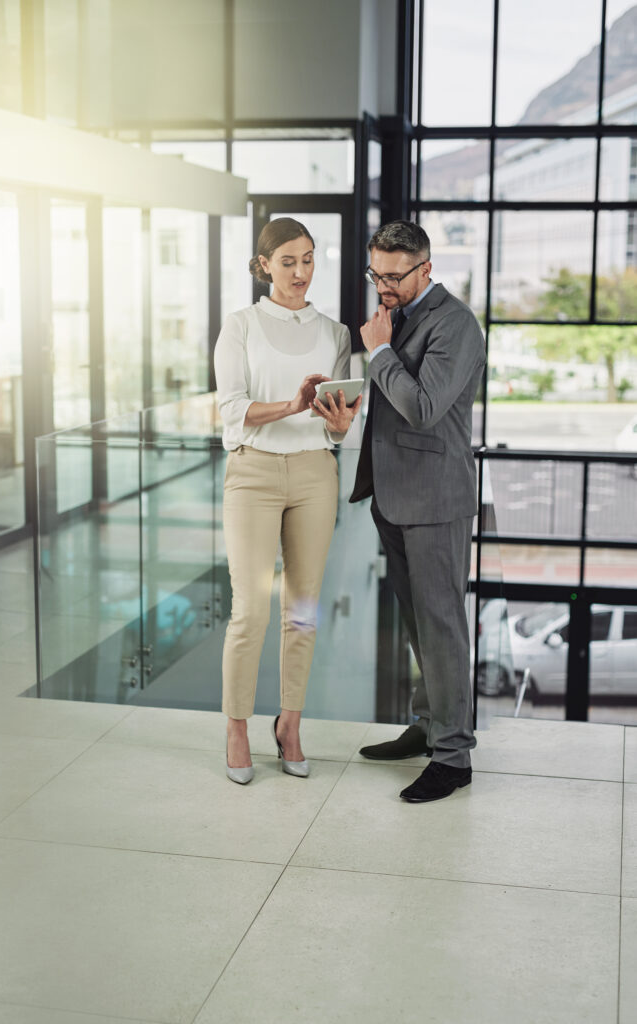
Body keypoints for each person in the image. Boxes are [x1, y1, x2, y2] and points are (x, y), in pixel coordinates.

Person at [215, 217, 361, 784]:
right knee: (249, 610)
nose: (301, 272)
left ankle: (290, 724)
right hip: (252, 473)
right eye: (287, 262)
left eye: (308, 259)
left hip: (313, 475)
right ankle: (236, 728)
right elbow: (232, 410)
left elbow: (337, 428)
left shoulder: (336, 332)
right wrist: (292, 404)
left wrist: (339, 424)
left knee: (302, 610)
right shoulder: (241, 326)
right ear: (264, 266)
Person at [350, 220, 485, 803]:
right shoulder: (397, 315)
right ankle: (428, 725)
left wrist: (378, 352)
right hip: (395, 495)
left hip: (435, 500)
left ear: (426, 269)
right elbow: (386, 402)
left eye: (394, 276)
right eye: (375, 273)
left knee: (442, 627)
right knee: (416, 625)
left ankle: (453, 757)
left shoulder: (455, 324)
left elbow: (424, 407)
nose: (383, 285)